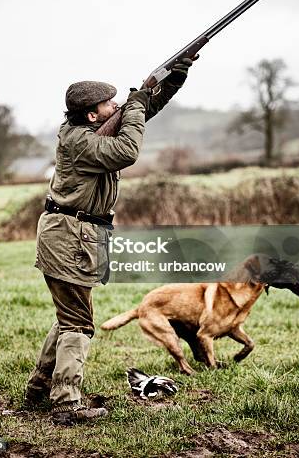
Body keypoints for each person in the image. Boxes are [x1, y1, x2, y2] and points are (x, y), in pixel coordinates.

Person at [24, 57, 196, 426]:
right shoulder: (82, 144)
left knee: (70, 315)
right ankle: (66, 403)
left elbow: (140, 113)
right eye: (109, 104)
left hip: (75, 234)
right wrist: (134, 105)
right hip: (67, 236)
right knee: (78, 322)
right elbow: (128, 151)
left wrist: (174, 76)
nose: (115, 105)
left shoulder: (85, 130)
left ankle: (38, 389)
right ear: (91, 116)